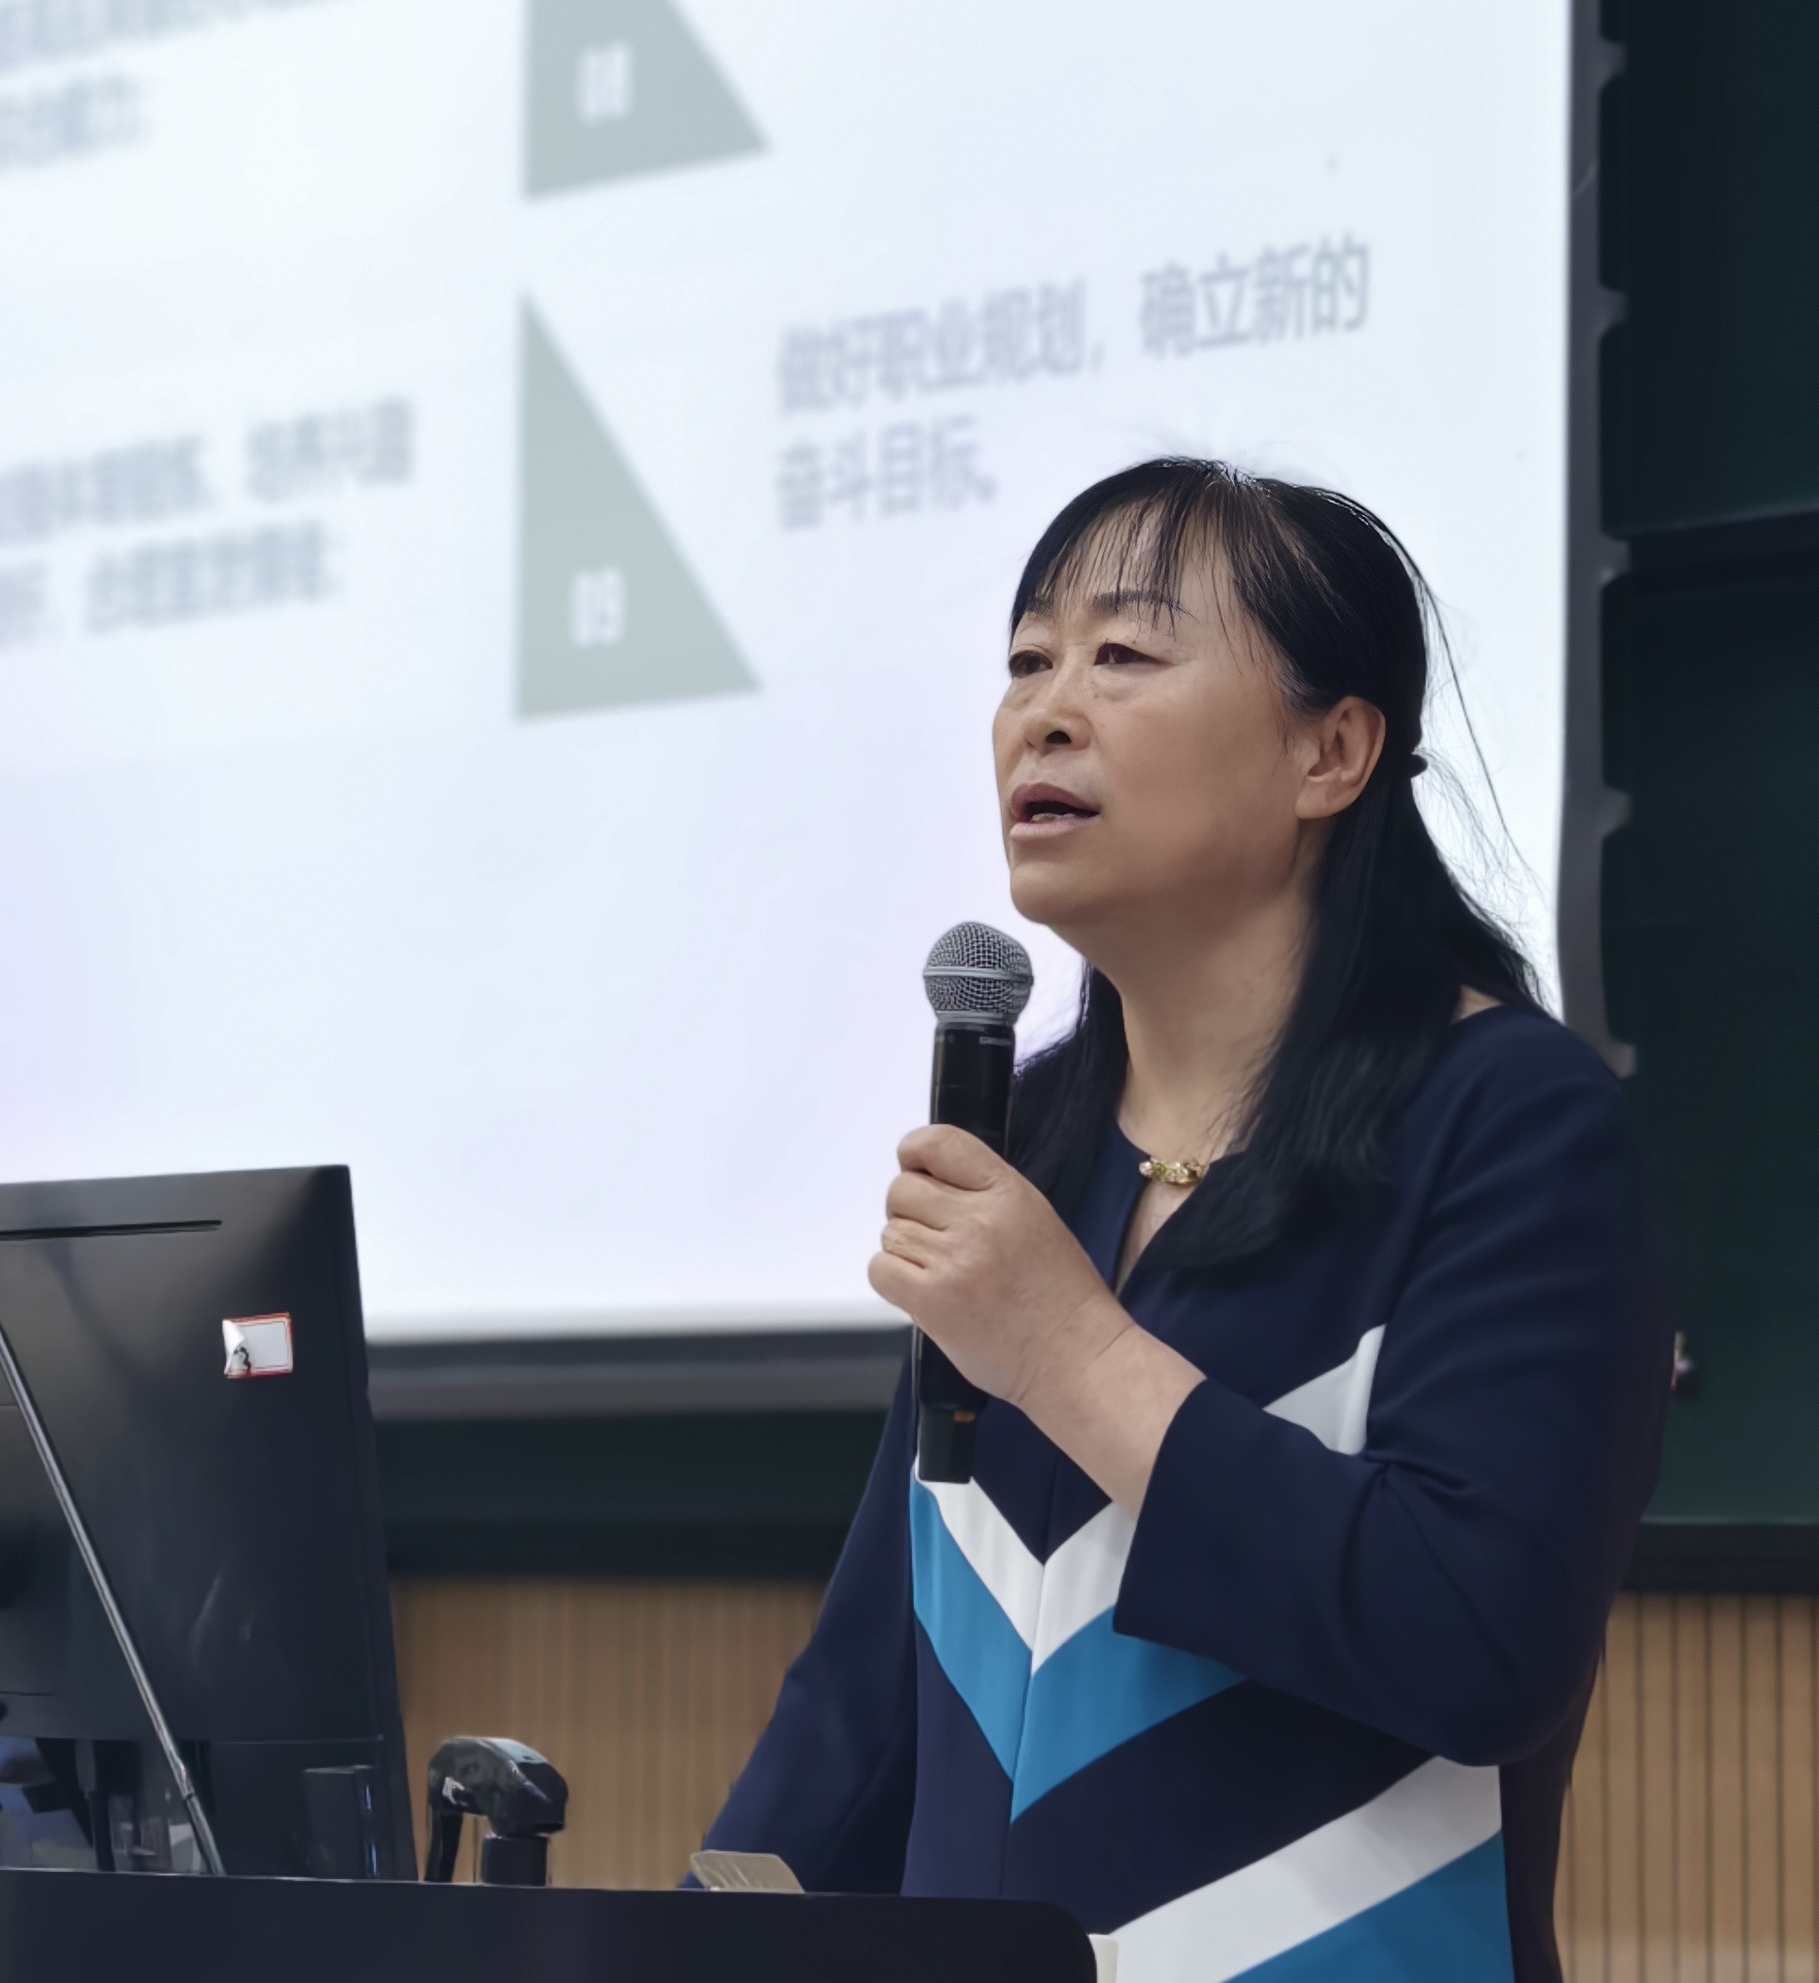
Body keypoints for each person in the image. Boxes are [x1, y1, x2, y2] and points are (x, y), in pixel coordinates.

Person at [702, 459, 1668, 1983]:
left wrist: (1071, 1354)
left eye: (1125, 655)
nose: (1045, 711)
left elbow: (1479, 1643)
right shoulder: (1028, 1139)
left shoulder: (1509, 1121)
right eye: (1027, 660)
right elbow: (865, 1710)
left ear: (1331, 753)